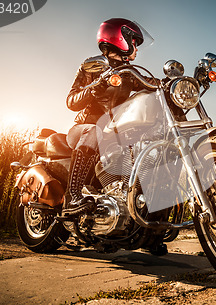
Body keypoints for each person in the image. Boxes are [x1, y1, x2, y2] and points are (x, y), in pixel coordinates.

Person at [62, 18, 155, 215]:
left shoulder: (129, 72)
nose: (136, 49)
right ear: (121, 39)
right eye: (135, 43)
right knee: (93, 130)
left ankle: (146, 224)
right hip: (85, 128)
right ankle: (72, 196)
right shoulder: (92, 67)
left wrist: (178, 85)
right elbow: (71, 101)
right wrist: (93, 88)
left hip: (113, 131)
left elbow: (153, 85)